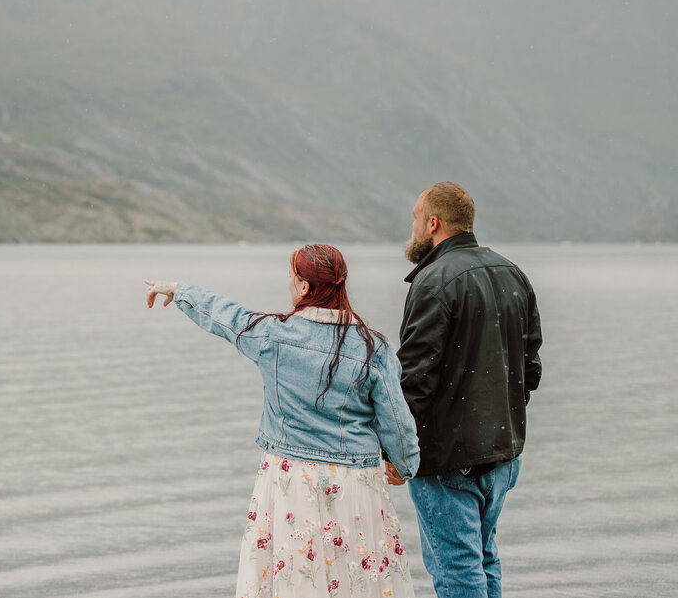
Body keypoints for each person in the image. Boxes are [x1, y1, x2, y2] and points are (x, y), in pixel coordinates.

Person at [146, 244, 420, 598]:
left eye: (292, 277)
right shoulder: (374, 348)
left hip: (292, 484)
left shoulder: (272, 335)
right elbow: (398, 423)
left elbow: (228, 316)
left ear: (304, 288)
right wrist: (405, 465)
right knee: (356, 581)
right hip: (355, 486)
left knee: (295, 581)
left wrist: (181, 291)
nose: (289, 284)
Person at [393, 182, 543, 598]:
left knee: (458, 573)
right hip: (503, 452)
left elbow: (415, 379)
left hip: (448, 460)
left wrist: (395, 449)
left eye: (416, 217)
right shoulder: (513, 274)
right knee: (484, 559)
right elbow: (530, 369)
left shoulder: (432, 281)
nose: (413, 224)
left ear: (433, 224)